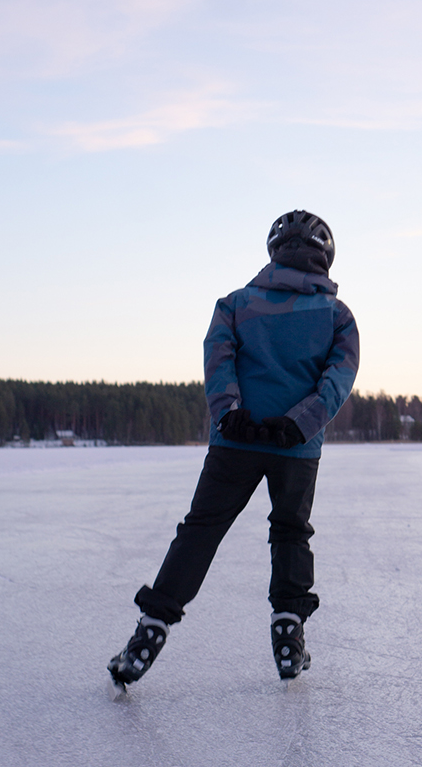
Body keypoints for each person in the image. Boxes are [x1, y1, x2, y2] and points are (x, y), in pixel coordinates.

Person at [108, 210, 360, 687]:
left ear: (275, 250)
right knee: (291, 533)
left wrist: (229, 412)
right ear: (324, 256)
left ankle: (151, 630)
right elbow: (338, 380)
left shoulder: (235, 304)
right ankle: (289, 635)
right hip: (297, 449)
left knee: (200, 531)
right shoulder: (338, 316)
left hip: (235, 442)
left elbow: (217, 359)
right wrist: (298, 424)